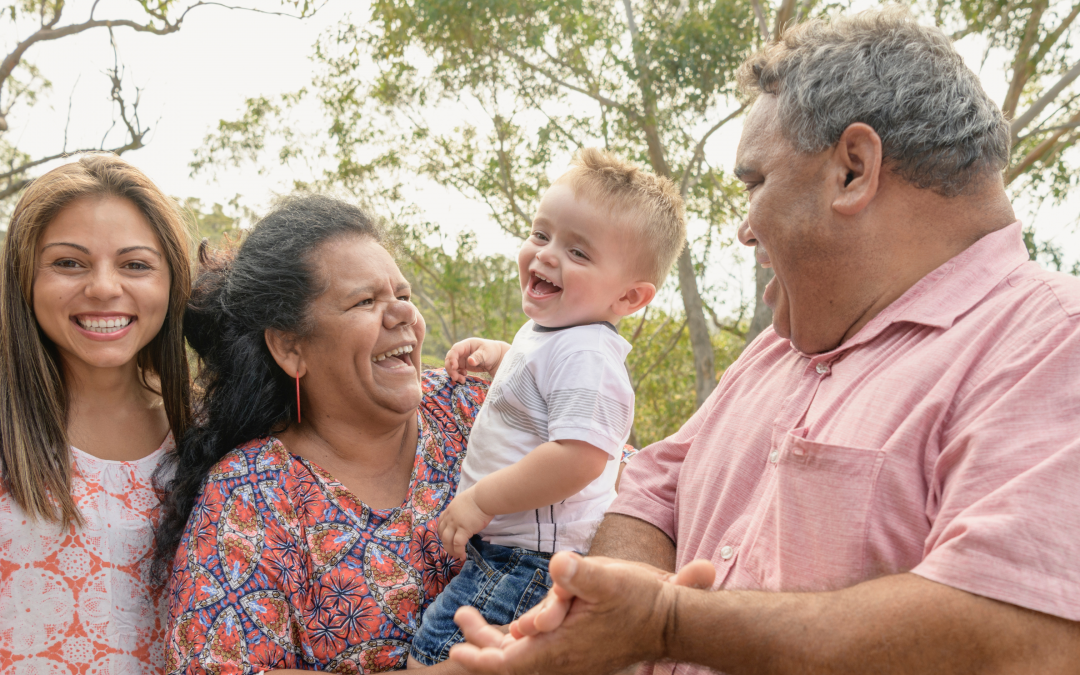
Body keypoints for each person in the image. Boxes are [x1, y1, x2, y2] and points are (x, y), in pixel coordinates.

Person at [448, 8, 1080, 674]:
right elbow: (652, 495)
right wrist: (596, 618)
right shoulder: (781, 345)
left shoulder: (1050, 345)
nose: (745, 229)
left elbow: (1019, 636)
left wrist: (665, 623)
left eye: (755, 182)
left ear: (854, 170)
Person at [155, 194, 491, 674]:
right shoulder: (252, 494)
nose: (401, 315)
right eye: (366, 301)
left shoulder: (472, 408)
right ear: (291, 348)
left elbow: (625, 487)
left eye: (403, 295)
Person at [408, 149, 687, 667]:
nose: (547, 255)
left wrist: (481, 500)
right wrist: (502, 357)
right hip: (515, 555)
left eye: (579, 253)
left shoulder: (587, 352)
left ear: (628, 298)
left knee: (438, 655)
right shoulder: (559, 334)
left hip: (531, 560)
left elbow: (580, 456)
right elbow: (545, 390)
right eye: (541, 234)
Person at [0, 154, 193, 673]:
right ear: (25, 279)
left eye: (135, 264)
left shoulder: (209, 437)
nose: (104, 287)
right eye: (69, 262)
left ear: (172, 281)